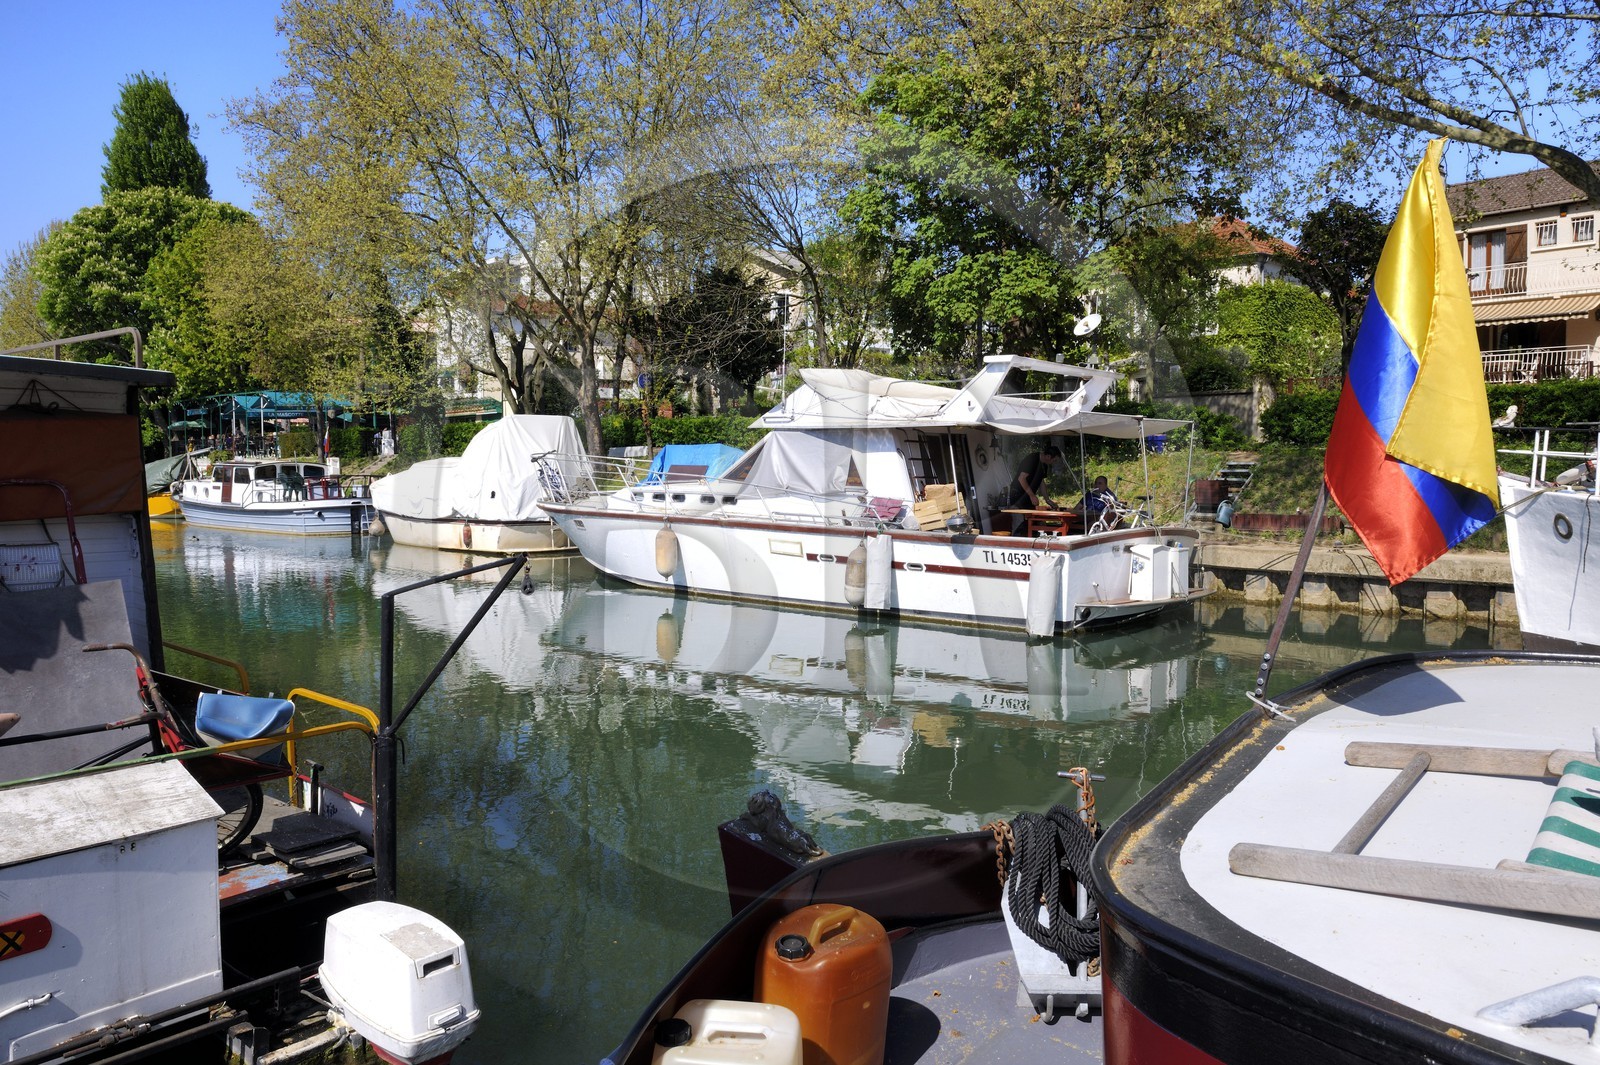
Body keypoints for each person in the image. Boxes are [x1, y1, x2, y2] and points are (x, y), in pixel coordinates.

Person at [1009, 446, 1061, 532]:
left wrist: (1047, 500)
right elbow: (1021, 478)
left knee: (1033, 522)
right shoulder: (1032, 459)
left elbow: (1041, 482)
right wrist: (1032, 495)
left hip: (1027, 497)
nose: (1053, 463)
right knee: (1019, 523)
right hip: (1017, 496)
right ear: (1048, 456)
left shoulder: (1044, 465)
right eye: (1054, 460)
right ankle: (1017, 541)